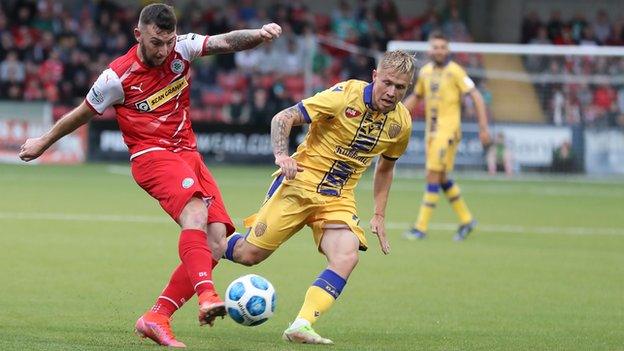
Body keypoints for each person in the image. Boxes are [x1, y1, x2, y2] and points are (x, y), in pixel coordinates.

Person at [18, 3, 281, 348]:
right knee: (196, 214)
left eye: (169, 41)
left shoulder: (181, 49)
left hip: (188, 154)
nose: (164, 50)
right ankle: (207, 297)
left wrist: (258, 36)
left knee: (216, 239)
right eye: (157, 42)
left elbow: (225, 42)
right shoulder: (117, 76)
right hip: (151, 156)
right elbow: (81, 114)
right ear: (138, 34)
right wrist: (42, 142)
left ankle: (156, 317)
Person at [222, 50, 414, 345]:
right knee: (249, 255)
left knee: (347, 255)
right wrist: (281, 155)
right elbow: (283, 117)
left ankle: (301, 324)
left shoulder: (401, 124)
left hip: (337, 197)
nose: (391, 92)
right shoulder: (343, 96)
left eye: (400, 87)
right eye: (387, 83)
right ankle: (209, 240)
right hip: (298, 184)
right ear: (375, 76)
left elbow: (386, 168)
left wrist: (379, 213)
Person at [403, 31, 490, 241]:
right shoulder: (424, 72)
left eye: (443, 47)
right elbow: (416, 97)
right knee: (441, 178)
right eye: (435, 47)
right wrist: (396, 115)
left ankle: (420, 227)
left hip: (448, 131)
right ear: (429, 50)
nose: (439, 50)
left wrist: (483, 127)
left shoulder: (455, 71)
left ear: (448, 50)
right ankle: (467, 220)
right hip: (431, 132)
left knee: (432, 175)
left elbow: (476, 96)